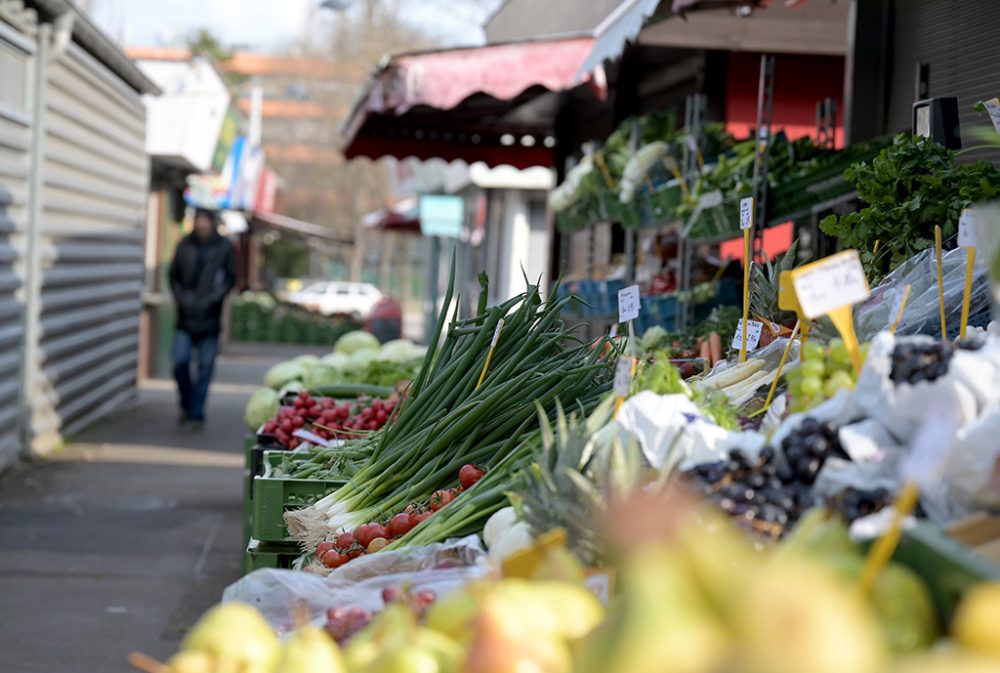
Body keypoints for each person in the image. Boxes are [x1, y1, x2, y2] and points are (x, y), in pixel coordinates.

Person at [169, 208, 236, 426]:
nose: (202, 225)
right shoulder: (184, 245)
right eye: (199, 221)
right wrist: (183, 299)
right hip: (185, 317)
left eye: (206, 221)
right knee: (180, 362)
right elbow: (173, 276)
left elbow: (230, 278)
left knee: (205, 368)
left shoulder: (224, 247)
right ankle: (186, 403)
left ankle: (196, 413)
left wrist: (213, 300)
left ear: (212, 223)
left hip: (210, 318)